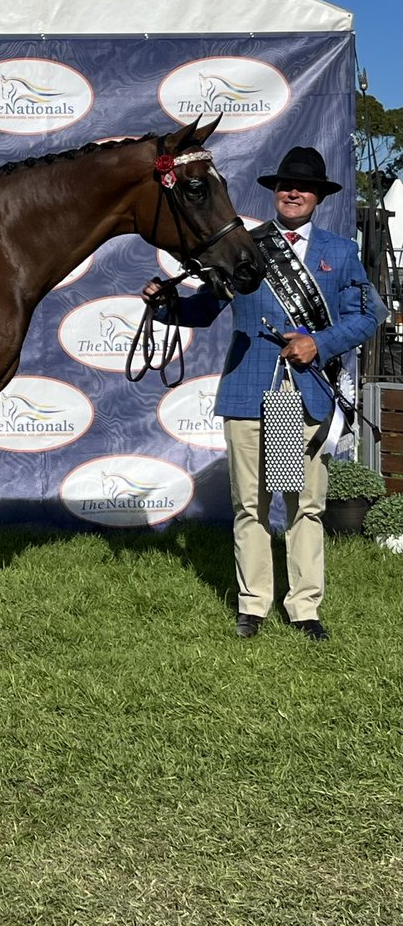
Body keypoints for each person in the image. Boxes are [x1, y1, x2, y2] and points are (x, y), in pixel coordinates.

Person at [142, 146, 384, 641]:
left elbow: (368, 315)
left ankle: (305, 607)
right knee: (250, 505)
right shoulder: (242, 246)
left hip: (307, 395)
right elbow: (205, 310)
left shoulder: (340, 252)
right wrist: (164, 307)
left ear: (318, 197)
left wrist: (319, 342)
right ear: (275, 193)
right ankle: (253, 604)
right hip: (250, 391)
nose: (293, 192)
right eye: (284, 186)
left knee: (305, 505)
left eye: (303, 187)